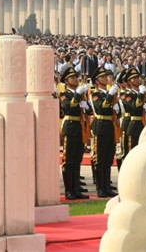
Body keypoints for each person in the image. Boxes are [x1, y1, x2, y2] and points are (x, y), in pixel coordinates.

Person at [58, 66, 88, 200]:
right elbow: (68, 107)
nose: (76, 79)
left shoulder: (79, 94)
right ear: (66, 81)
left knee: (77, 160)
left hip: (80, 127)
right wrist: (77, 95)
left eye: (76, 77)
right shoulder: (64, 94)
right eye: (72, 77)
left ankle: (76, 188)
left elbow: (88, 111)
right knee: (68, 161)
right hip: (70, 127)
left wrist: (86, 106)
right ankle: (69, 190)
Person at [89, 67, 118, 197]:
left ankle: (107, 186)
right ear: (97, 80)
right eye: (102, 77)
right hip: (100, 126)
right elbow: (101, 107)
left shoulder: (108, 93)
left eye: (106, 76)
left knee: (108, 159)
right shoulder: (95, 94)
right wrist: (110, 95)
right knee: (99, 159)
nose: (106, 78)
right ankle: (100, 187)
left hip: (109, 126)